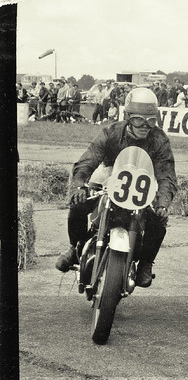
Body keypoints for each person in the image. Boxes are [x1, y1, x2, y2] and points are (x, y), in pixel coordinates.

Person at [54, 88, 176, 288]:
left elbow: (166, 174)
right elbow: (89, 158)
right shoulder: (111, 132)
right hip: (108, 175)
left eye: (151, 121)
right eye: (139, 120)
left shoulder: (160, 140)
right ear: (128, 117)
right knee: (78, 205)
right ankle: (75, 248)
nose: (145, 126)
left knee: (158, 220)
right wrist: (80, 184)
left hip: (143, 180)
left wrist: (163, 203)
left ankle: (145, 263)